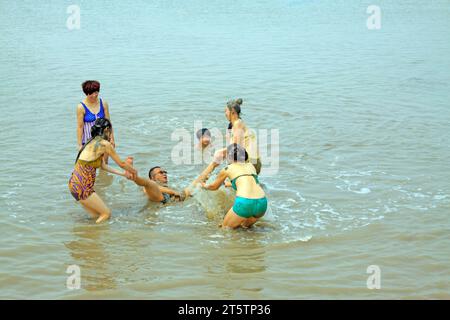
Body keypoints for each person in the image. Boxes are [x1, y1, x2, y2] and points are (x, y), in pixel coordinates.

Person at [68, 118, 136, 223]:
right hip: (83, 186)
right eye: (111, 132)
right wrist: (134, 172)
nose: (111, 135)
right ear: (107, 129)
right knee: (106, 214)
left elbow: (103, 166)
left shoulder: (91, 142)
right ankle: (96, 237)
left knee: (96, 216)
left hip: (74, 185)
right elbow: (122, 164)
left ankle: (89, 237)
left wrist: (123, 174)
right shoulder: (104, 144)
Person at [196, 98, 261, 184]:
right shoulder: (236, 125)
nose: (225, 114)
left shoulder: (238, 123)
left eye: (226, 111)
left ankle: (197, 185)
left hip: (250, 164)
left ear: (232, 112)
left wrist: (220, 153)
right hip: (252, 163)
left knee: (220, 175)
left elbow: (236, 147)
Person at [202, 144, 267, 229]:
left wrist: (203, 185)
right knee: (246, 229)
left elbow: (214, 187)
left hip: (245, 203)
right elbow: (249, 182)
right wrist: (229, 184)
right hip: (262, 203)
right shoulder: (251, 166)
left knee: (225, 229)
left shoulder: (227, 169)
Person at [76, 80, 115, 152]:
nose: (94, 95)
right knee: (91, 163)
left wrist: (112, 139)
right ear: (86, 93)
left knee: (104, 162)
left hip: (104, 140)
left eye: (96, 92)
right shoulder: (81, 107)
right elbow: (80, 127)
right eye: (91, 93)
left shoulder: (103, 103)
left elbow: (108, 123)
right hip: (89, 141)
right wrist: (80, 145)